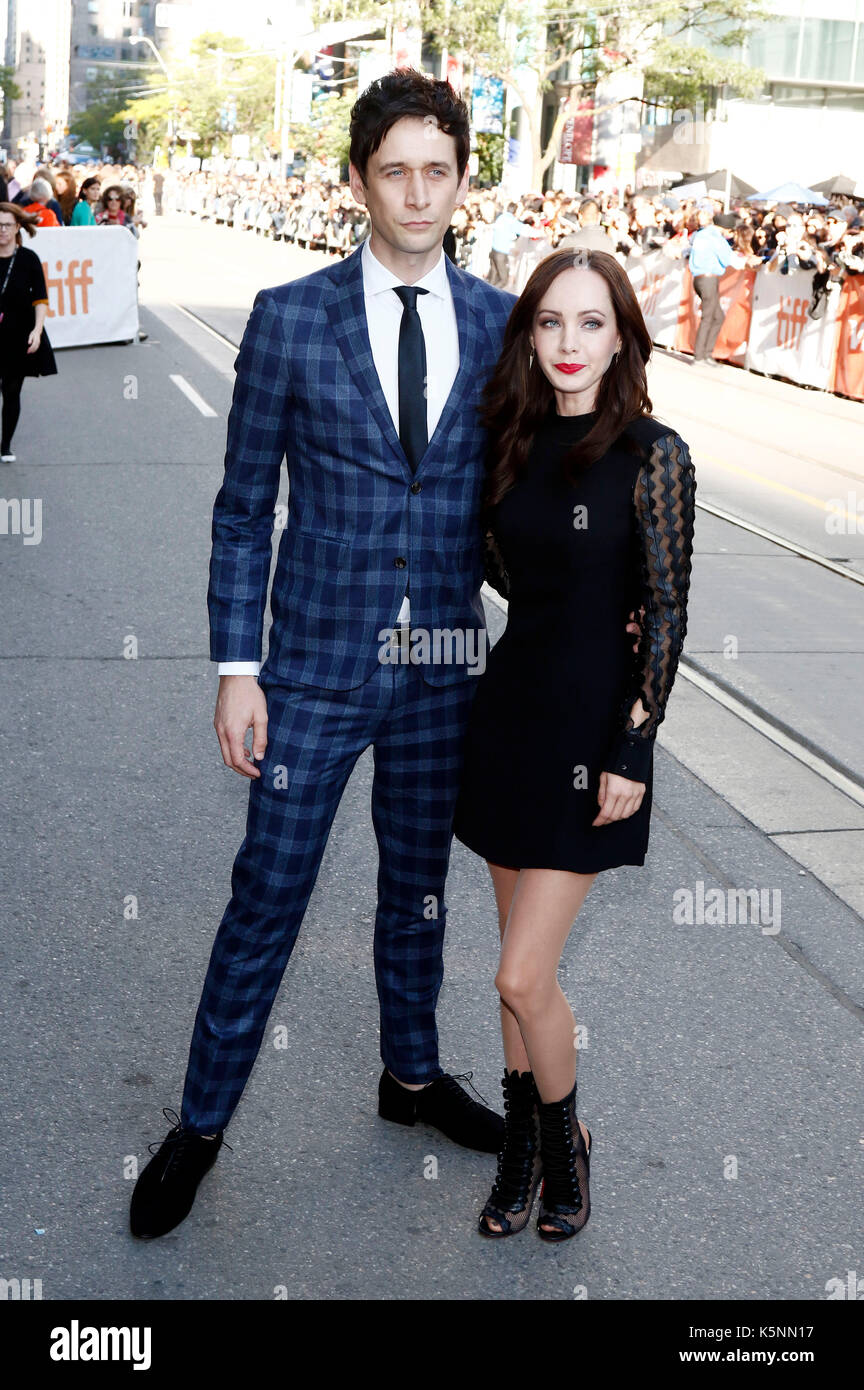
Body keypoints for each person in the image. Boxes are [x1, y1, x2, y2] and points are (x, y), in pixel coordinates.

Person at [128, 69, 519, 1243]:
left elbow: (520, 507)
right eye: (393, 170)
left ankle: (411, 1079)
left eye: (436, 171)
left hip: (445, 664)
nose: (415, 192)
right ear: (357, 182)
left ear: (461, 183)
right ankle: (199, 1126)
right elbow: (245, 508)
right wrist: (235, 669)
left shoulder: (504, 322)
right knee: (270, 897)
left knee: (419, 894)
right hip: (310, 667)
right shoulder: (291, 314)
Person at [452, 249, 695, 1241]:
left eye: (591, 323)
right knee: (516, 964)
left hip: (596, 735)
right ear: (530, 334)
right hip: (510, 717)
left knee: (520, 974)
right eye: (550, 322)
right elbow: (504, 571)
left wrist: (635, 747)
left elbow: (670, 606)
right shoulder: (507, 440)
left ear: (623, 337)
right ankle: (520, 1148)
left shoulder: (655, 453)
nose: (567, 344)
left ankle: (567, 1145)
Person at [0, 203, 58, 462]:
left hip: (18, 333)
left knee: (11, 391)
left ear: (17, 227)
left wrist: (37, 329)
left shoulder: (28, 259)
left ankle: (5, 446)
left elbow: (41, 299)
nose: (2, 230)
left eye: (7, 225)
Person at [686, 206, 735, 365]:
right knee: (709, 317)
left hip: (699, 278)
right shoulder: (717, 239)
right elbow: (728, 260)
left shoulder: (700, 234)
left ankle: (706, 353)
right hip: (709, 279)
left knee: (717, 316)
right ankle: (700, 356)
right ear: (725, 228)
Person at [488, 201, 533, 288]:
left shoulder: (501, 217)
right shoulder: (512, 221)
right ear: (515, 211)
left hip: (493, 251)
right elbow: (525, 230)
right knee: (503, 280)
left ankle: (484, 296)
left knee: (493, 278)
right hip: (501, 254)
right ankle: (489, 296)